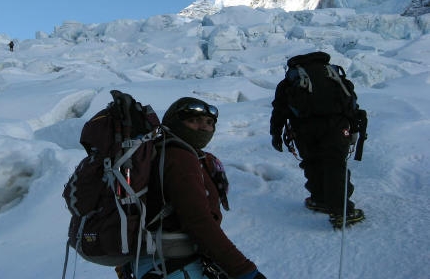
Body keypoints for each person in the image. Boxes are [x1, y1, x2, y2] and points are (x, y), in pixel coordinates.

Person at [124, 97, 265, 279]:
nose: (204, 127)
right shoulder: (179, 157)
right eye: (194, 120)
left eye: (209, 122)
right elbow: (199, 221)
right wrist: (244, 270)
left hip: (154, 261)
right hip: (171, 264)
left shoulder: (162, 150)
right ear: (174, 122)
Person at [269, 52, 365, 228]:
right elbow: (349, 102)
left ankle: (320, 199)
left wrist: (276, 134)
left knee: (312, 162)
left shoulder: (290, 81)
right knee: (335, 164)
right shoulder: (333, 75)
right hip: (336, 125)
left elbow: (279, 110)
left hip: (303, 129)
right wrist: (354, 127)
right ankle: (342, 211)